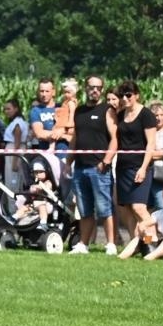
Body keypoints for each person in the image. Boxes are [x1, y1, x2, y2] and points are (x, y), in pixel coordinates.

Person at [68, 75, 119, 256]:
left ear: (102, 90)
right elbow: (75, 138)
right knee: (84, 209)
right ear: (86, 88)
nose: (95, 90)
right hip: (80, 167)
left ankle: (111, 244)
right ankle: (83, 244)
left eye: (98, 87)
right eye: (91, 87)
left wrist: (106, 161)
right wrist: (68, 161)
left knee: (105, 208)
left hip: (99, 168)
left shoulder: (108, 110)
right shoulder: (79, 111)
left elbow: (115, 139)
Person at [112, 79, 158, 253]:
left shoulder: (146, 115)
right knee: (129, 210)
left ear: (136, 95)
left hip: (139, 166)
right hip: (122, 167)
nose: (125, 98)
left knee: (139, 207)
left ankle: (151, 243)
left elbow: (151, 143)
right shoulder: (120, 115)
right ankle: (136, 245)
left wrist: (143, 168)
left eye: (128, 95)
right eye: (122, 95)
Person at [27, 79, 62, 183]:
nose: (44, 94)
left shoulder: (62, 108)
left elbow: (72, 130)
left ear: (53, 92)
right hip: (46, 155)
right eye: (41, 91)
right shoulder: (36, 111)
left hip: (64, 153)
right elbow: (39, 133)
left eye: (47, 91)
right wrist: (60, 133)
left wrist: (62, 134)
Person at [1, 98, 29, 193]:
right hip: (14, 149)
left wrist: (14, 161)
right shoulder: (19, 122)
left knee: (12, 181)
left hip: (13, 150)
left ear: (16, 109)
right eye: (5, 109)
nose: (6, 111)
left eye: (9, 109)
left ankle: (13, 202)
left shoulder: (17, 123)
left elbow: (17, 143)